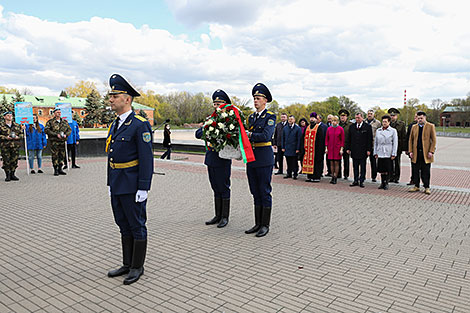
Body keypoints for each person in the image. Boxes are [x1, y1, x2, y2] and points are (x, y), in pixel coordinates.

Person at [105, 74, 153, 285]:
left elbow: (146, 159)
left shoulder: (139, 124)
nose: (111, 99)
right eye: (110, 95)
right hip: (117, 182)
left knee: (136, 224)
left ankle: (137, 266)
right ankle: (127, 263)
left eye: (115, 95)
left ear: (127, 99)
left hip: (132, 184)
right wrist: (110, 183)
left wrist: (143, 187)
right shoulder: (115, 124)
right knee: (122, 224)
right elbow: (111, 156)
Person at [195, 90, 232, 228]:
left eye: (219, 103)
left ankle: (224, 216)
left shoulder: (229, 120)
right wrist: (207, 127)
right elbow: (198, 134)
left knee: (223, 186)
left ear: (225, 105)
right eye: (215, 104)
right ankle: (217, 215)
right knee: (215, 186)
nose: (217, 106)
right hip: (211, 157)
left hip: (222, 157)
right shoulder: (210, 118)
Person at [245, 83, 276, 237]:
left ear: (265, 101)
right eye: (254, 98)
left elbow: (266, 136)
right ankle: (257, 223)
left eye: (258, 98)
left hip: (264, 158)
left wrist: (249, 135)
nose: (255, 101)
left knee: (264, 191)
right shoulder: (251, 117)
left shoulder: (270, 117)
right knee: (255, 191)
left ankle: (265, 225)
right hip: (252, 159)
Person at [408, 111, 436, 195]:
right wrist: (410, 151)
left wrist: (431, 151)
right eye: (418, 118)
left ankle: (427, 187)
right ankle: (416, 186)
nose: (420, 120)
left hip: (426, 153)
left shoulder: (430, 126)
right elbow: (410, 140)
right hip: (416, 153)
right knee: (415, 170)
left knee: (425, 171)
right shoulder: (414, 127)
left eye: (421, 118)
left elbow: (434, 140)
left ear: (425, 118)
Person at [346, 112, 372, 188]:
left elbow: (369, 139)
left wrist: (368, 150)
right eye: (356, 118)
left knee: (363, 167)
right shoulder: (352, 127)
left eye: (358, 118)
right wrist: (348, 148)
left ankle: (362, 180)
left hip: (363, 150)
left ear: (362, 118)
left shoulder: (367, 127)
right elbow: (349, 138)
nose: (357, 119)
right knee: (355, 166)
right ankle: (355, 180)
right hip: (354, 150)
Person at [374, 115, 398, 190]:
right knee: (381, 169)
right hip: (380, 150)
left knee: (387, 169)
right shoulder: (378, 131)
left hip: (388, 151)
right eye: (383, 121)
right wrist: (375, 152)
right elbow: (376, 142)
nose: (384, 123)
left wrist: (394, 153)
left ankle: (386, 182)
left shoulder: (393, 131)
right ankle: (382, 182)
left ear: (389, 122)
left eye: (385, 122)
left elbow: (395, 143)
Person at [45, 108, 71, 176]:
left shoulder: (64, 122)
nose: (59, 114)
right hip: (54, 142)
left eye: (60, 112)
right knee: (55, 155)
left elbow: (69, 130)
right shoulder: (50, 122)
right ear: (54, 113)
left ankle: (60, 168)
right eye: (57, 112)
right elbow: (47, 130)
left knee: (62, 155)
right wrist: (56, 135)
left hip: (62, 142)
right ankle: (55, 169)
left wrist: (66, 135)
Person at [300, 112, 325, 183]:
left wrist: (320, 150)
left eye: (313, 118)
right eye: (311, 118)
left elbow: (321, 140)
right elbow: (303, 138)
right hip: (308, 150)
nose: (312, 119)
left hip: (316, 150)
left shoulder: (319, 127)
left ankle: (316, 177)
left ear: (316, 119)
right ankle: (309, 176)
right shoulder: (307, 127)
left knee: (316, 163)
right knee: (308, 162)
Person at [0, 111, 24, 181]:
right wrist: (5, 137)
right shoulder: (1, 125)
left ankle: (13, 174)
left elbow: (22, 134)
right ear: (4, 117)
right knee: (6, 161)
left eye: (11, 115)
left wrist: (18, 137)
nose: (10, 117)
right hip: (5, 146)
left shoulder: (17, 125)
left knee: (14, 160)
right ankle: (7, 175)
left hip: (15, 146)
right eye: (8, 115)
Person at [388, 108, 406, 183]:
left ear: (397, 116)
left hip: (398, 146)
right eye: (391, 115)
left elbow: (404, 137)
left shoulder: (401, 124)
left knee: (397, 163)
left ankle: (396, 177)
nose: (392, 117)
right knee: (390, 162)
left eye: (394, 115)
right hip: (389, 146)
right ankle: (390, 176)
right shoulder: (388, 124)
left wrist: (403, 148)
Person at [325, 115, 344, 184]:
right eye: (332, 121)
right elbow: (327, 139)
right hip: (330, 148)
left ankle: (335, 177)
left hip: (337, 148)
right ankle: (332, 176)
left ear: (337, 121)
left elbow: (342, 140)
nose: (333, 122)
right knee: (331, 163)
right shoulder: (329, 129)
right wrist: (326, 148)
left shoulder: (340, 129)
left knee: (336, 162)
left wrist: (341, 149)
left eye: (335, 121)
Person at [281, 115, 301, 180]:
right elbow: (283, 138)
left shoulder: (298, 128)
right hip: (287, 147)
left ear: (294, 120)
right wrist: (283, 147)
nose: (290, 120)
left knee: (294, 161)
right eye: (289, 119)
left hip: (294, 148)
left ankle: (295, 174)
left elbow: (299, 139)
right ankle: (289, 173)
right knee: (288, 161)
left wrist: (298, 148)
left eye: (292, 119)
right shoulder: (285, 128)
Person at [365, 109, 381, 182]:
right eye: (368, 113)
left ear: (373, 115)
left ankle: (373, 177)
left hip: (374, 145)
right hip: (365, 145)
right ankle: (362, 175)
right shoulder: (364, 122)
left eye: (371, 113)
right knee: (363, 162)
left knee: (373, 162)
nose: (369, 115)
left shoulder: (377, 123)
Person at [338, 109, 352, 179]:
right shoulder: (337, 124)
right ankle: (338, 174)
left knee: (346, 161)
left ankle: (346, 174)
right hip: (338, 146)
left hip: (346, 145)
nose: (342, 117)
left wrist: (350, 147)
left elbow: (351, 137)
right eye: (341, 116)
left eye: (344, 116)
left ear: (347, 117)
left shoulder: (350, 125)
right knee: (338, 161)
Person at [406, 113, 418, 185]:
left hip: (422, 150)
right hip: (413, 150)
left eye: (417, 117)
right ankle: (413, 179)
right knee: (413, 165)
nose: (415, 118)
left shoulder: (427, 125)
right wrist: (407, 149)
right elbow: (408, 138)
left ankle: (421, 181)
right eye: (415, 117)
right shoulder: (411, 126)